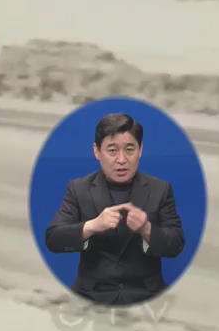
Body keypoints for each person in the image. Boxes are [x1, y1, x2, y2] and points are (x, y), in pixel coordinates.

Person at [45, 113, 185, 306]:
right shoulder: (78, 189)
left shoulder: (160, 189)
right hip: (91, 296)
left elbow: (176, 244)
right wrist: (93, 225)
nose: (121, 159)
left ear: (140, 150)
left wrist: (146, 229)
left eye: (130, 150)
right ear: (97, 151)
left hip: (146, 297)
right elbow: (53, 239)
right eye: (112, 150)